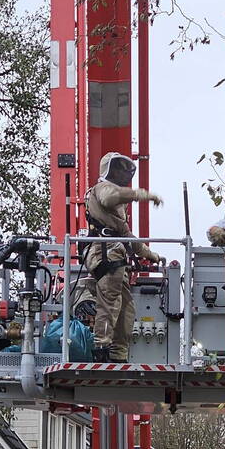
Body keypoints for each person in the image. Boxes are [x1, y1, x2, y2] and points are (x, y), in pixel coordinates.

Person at [83, 152, 163, 362]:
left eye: (123, 169)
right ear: (108, 170)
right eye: (117, 168)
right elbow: (110, 197)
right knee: (110, 303)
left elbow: (127, 236)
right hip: (105, 253)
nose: (120, 173)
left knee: (126, 307)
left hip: (115, 253)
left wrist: (149, 254)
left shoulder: (117, 206)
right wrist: (139, 194)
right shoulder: (102, 189)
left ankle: (118, 353)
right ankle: (102, 348)